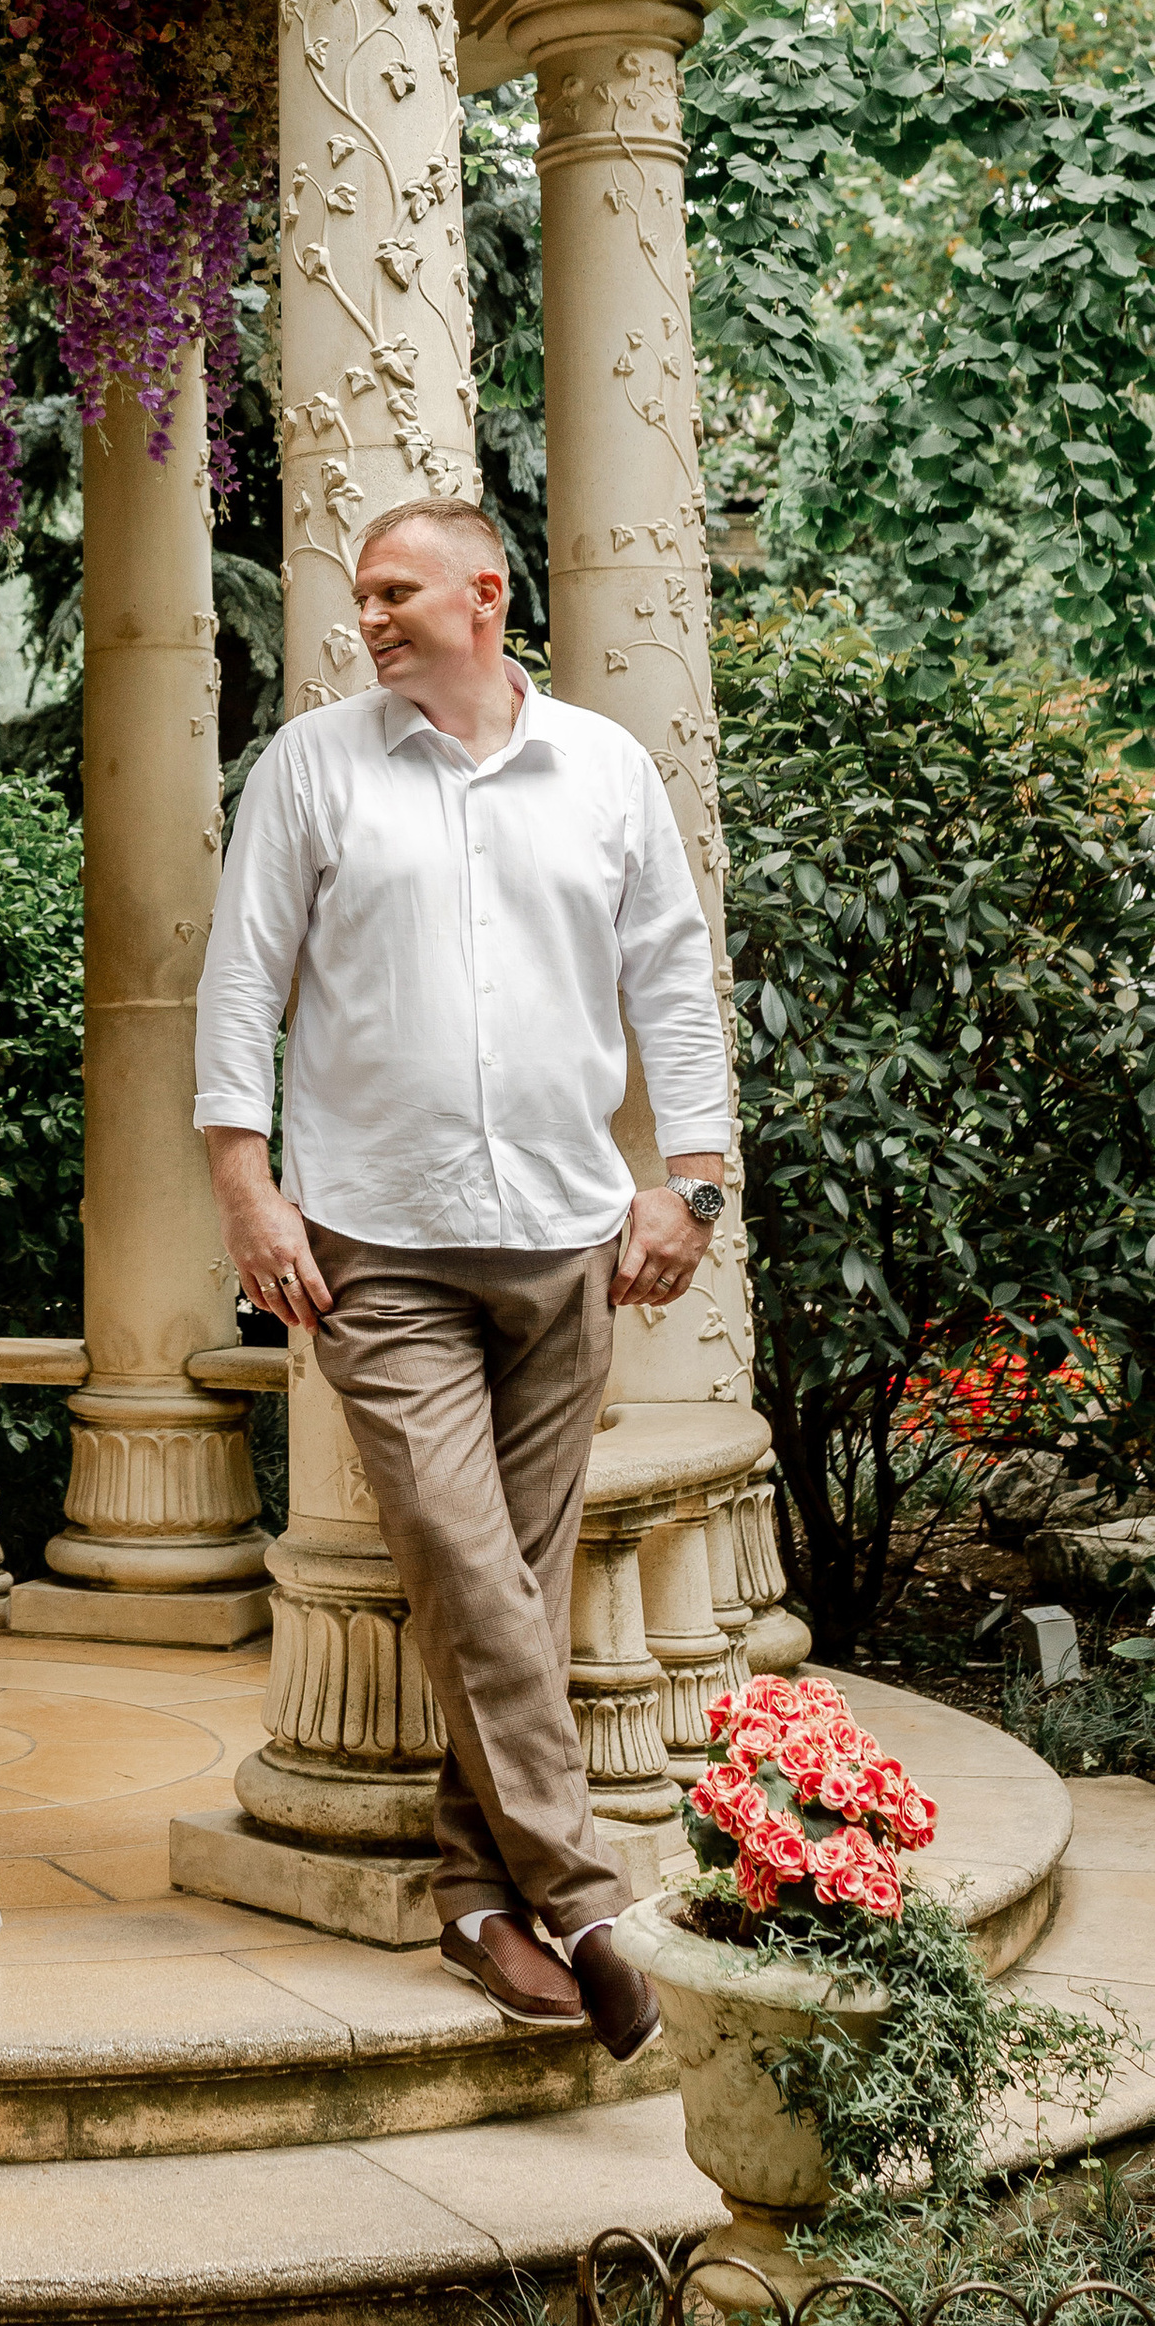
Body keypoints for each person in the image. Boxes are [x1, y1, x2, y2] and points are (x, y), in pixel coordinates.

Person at [193, 499, 735, 2060]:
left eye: (394, 592)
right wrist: (246, 1185)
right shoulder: (314, 766)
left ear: (485, 595)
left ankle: (477, 1897)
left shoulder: (605, 770)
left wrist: (696, 1180)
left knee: (506, 1590)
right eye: (360, 595)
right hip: (379, 1246)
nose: (365, 616)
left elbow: (672, 977)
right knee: (460, 1550)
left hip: (568, 1243)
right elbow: (241, 979)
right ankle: (588, 1900)